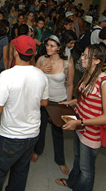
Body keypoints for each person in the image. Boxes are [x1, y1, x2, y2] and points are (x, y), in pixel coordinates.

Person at [0, 35, 49, 191]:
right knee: (20, 172)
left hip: (10, 135)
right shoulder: (41, 75)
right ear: (32, 54)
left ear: (15, 53)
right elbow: (44, 102)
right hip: (32, 134)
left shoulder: (7, 76)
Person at [56, 44, 106, 191]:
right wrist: (72, 102)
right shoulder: (87, 74)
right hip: (80, 127)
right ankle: (71, 182)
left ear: (97, 61)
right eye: (83, 54)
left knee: (87, 171)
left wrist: (81, 121)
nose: (82, 58)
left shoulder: (104, 82)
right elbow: (88, 99)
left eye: (86, 56)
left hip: (90, 132)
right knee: (77, 159)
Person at [31, 35, 74, 176]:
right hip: (43, 100)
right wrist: (40, 70)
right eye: (47, 45)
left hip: (59, 101)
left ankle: (60, 160)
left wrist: (68, 103)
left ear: (59, 48)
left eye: (52, 46)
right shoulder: (42, 60)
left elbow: (70, 84)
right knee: (40, 127)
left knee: (58, 131)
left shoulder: (67, 63)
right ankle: (38, 150)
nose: (48, 48)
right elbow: (32, 78)